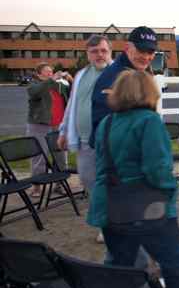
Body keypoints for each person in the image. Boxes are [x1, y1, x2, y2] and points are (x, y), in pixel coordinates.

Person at [87, 70, 179, 288]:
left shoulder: (106, 122)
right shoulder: (149, 121)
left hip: (111, 207)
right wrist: (170, 192)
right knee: (174, 266)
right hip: (148, 208)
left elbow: (102, 165)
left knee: (121, 269)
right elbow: (157, 169)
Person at [90, 25, 157, 267]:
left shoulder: (138, 72)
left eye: (150, 52)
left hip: (130, 173)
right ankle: (126, 283)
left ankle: (120, 280)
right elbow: (105, 130)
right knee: (127, 248)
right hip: (121, 174)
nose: (146, 57)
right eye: (141, 51)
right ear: (128, 48)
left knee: (125, 246)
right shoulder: (115, 78)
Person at [58, 35, 112, 242]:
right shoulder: (80, 75)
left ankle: (109, 226)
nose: (99, 55)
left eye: (103, 50)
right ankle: (105, 220)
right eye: (94, 51)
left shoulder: (117, 73)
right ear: (87, 54)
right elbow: (72, 105)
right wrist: (63, 131)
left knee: (110, 183)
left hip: (110, 140)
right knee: (88, 180)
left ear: (110, 52)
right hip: (83, 140)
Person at [26, 62, 72, 197]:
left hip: (59, 125)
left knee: (60, 155)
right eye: (46, 71)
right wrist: (51, 80)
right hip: (39, 125)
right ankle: (36, 186)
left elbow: (73, 93)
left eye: (51, 71)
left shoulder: (58, 85)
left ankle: (60, 184)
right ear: (38, 74)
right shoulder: (34, 85)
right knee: (39, 156)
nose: (50, 73)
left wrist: (70, 79)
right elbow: (35, 92)